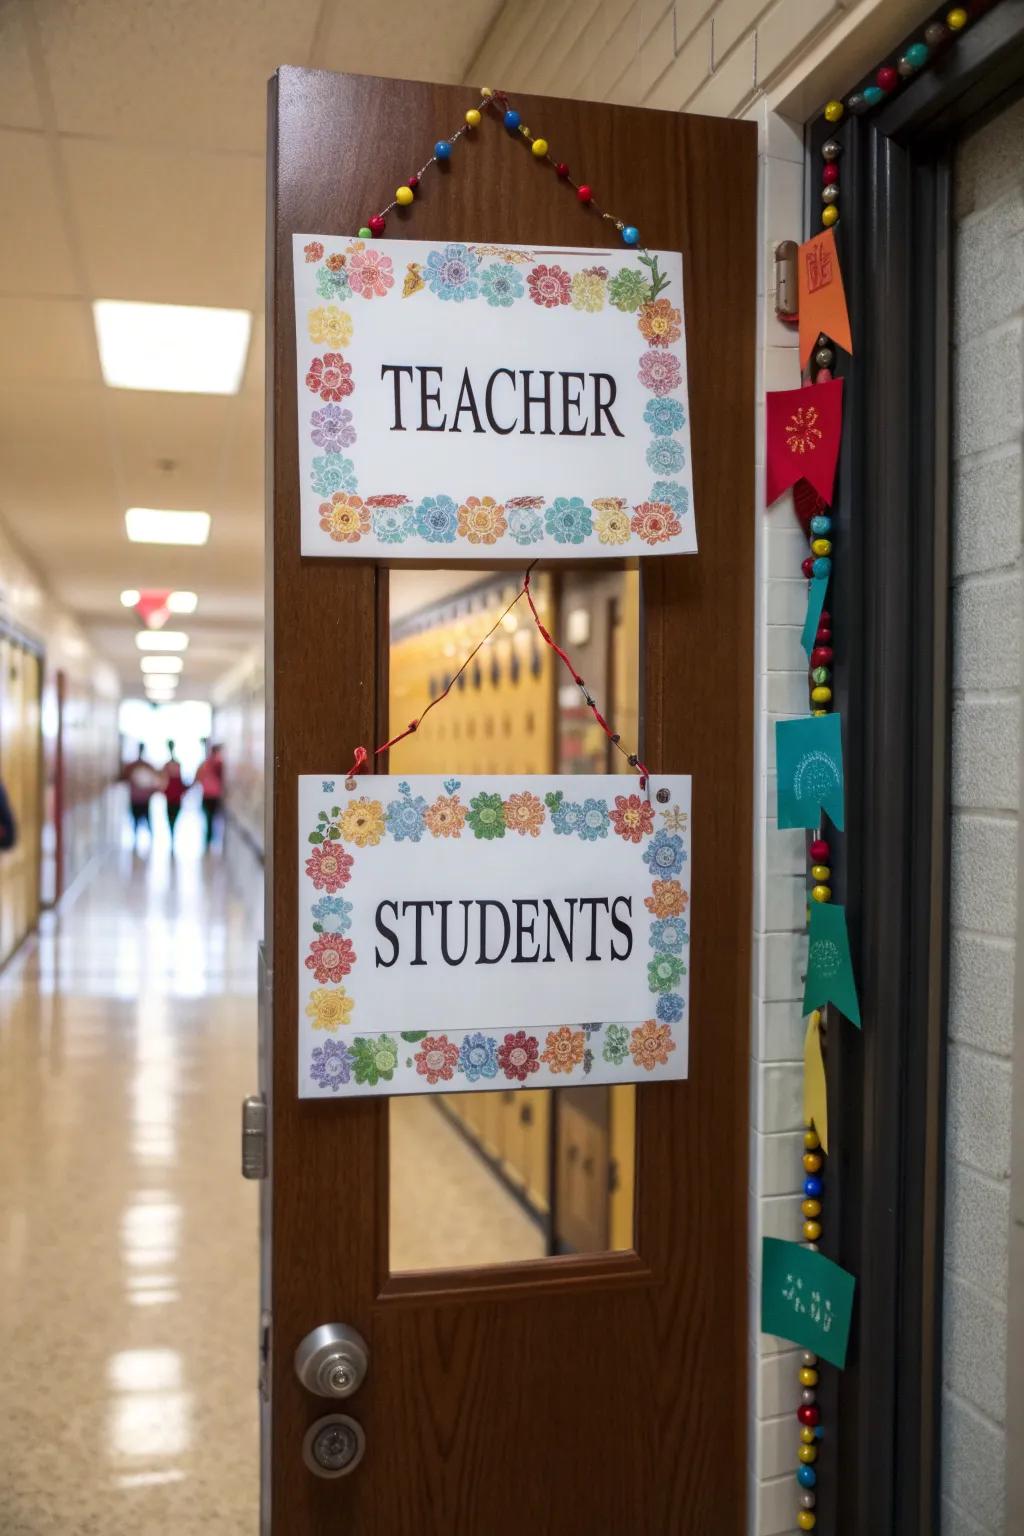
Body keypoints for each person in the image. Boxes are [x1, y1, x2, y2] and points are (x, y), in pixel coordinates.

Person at [121, 745, 159, 846]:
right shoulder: (133, 766)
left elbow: (156, 780)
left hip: (143, 799)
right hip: (136, 798)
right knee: (136, 820)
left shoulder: (147, 766)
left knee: (146, 819)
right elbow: (124, 777)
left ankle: (149, 839)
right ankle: (136, 839)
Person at [194, 741, 225, 850]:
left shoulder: (206, 763)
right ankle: (210, 839)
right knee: (212, 818)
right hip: (213, 795)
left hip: (207, 794)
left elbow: (197, 777)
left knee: (209, 818)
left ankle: (209, 839)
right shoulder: (218, 762)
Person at [161, 740, 187, 845]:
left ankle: (173, 832)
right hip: (170, 795)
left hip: (176, 795)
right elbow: (163, 780)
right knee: (170, 816)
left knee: (174, 816)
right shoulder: (167, 765)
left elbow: (180, 780)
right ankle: (172, 833)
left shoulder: (176, 764)